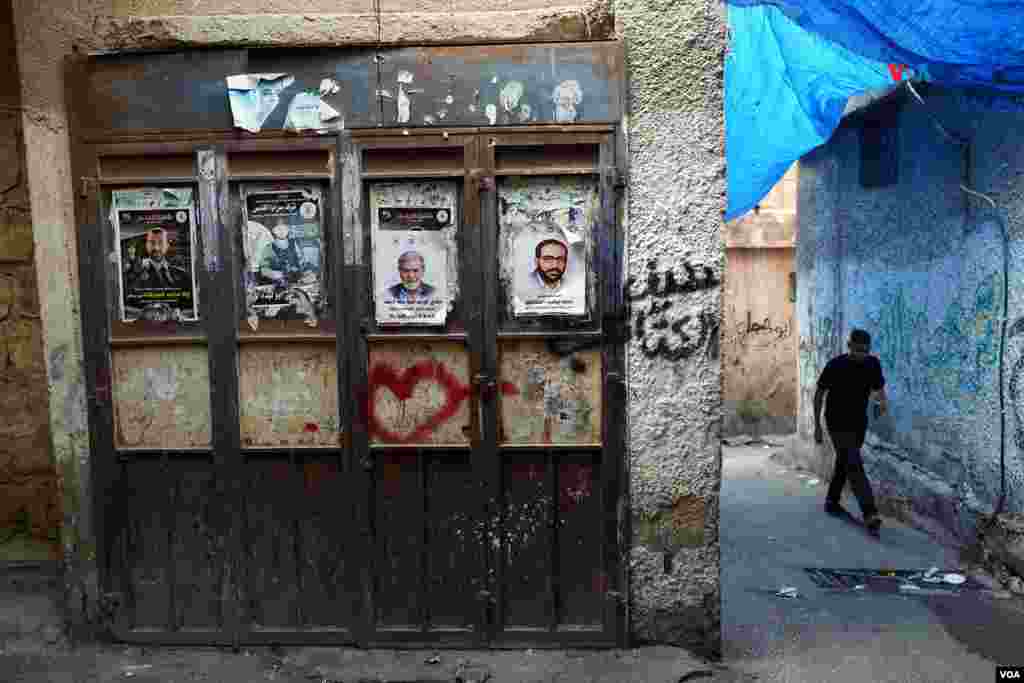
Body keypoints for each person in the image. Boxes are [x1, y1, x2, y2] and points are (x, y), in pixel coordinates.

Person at [814, 328, 889, 537]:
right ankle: (870, 513)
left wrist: (881, 403)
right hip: (836, 422)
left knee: (845, 460)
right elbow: (819, 394)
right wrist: (817, 426)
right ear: (849, 346)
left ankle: (832, 501)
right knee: (854, 464)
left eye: (865, 350)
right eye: (857, 349)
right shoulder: (836, 365)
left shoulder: (872, 364)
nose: (861, 354)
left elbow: (879, 389)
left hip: (858, 423)